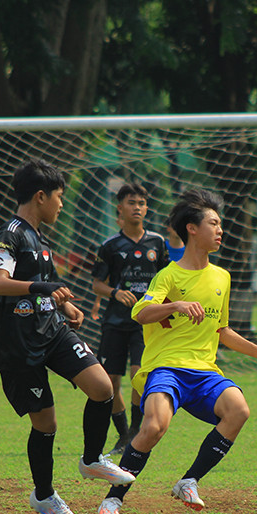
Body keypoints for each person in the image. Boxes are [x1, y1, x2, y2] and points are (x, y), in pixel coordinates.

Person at [96, 189, 257, 514]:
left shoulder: (222, 277)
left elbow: (221, 330)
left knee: (239, 410)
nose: (220, 230)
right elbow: (140, 312)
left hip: (204, 372)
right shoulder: (168, 275)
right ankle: (113, 499)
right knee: (154, 426)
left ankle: (188, 481)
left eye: (220, 224)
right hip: (166, 369)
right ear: (192, 229)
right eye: (213, 223)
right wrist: (176, 304)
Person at [0, 159, 135, 514]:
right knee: (46, 424)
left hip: (52, 331)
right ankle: (44, 496)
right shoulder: (12, 234)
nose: (62, 205)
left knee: (102, 387)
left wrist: (67, 305)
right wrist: (43, 288)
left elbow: (48, 288)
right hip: (18, 343)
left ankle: (92, 458)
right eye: (59, 197)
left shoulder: (42, 241)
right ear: (40, 197)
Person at [90, 183, 169, 456]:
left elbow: (168, 279)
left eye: (142, 203)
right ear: (120, 209)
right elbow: (97, 284)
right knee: (110, 380)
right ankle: (123, 433)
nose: (137, 207)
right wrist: (115, 292)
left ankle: (135, 430)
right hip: (114, 321)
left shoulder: (157, 243)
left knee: (139, 375)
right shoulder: (110, 245)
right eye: (131, 202)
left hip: (145, 322)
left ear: (147, 208)